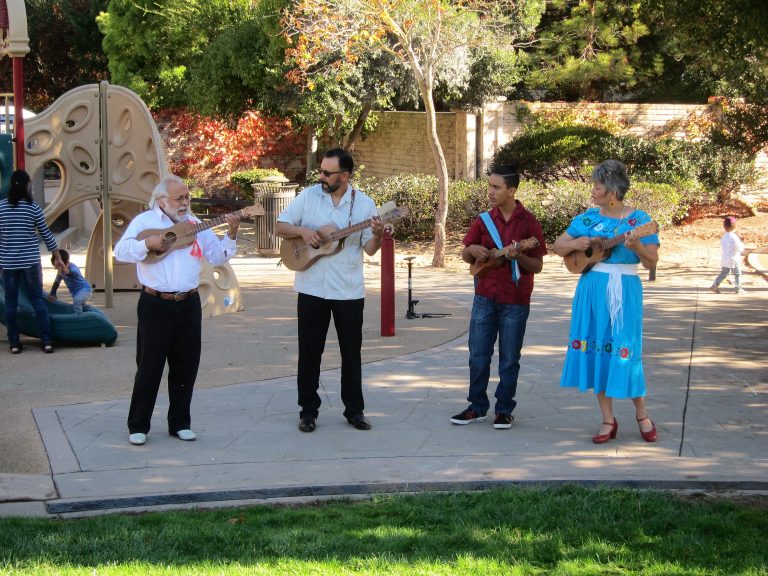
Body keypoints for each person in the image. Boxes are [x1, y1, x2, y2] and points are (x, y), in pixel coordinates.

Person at [114, 175, 240, 446]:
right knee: (149, 366)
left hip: (188, 303)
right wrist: (147, 244)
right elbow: (120, 252)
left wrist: (231, 234)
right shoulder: (144, 222)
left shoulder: (196, 225)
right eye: (179, 198)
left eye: (187, 197)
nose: (184, 203)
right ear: (161, 200)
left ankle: (180, 422)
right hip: (154, 303)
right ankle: (138, 425)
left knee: (186, 365)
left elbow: (217, 256)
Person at [275, 148, 383, 433]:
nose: (321, 177)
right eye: (321, 171)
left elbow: (370, 249)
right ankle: (308, 411)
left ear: (345, 176)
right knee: (309, 352)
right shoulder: (309, 196)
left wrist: (380, 234)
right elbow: (279, 226)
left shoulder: (364, 205)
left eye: (327, 173)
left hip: (348, 290)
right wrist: (302, 232)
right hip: (311, 287)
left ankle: (354, 410)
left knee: (352, 353)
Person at [553, 159, 660, 444]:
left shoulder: (639, 220)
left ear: (612, 192)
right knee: (598, 349)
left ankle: (641, 413)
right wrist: (577, 244)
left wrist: (636, 245)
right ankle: (607, 419)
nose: (593, 191)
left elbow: (652, 262)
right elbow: (558, 245)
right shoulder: (588, 219)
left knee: (626, 350)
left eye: (597, 187)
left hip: (625, 289)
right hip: (591, 288)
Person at [450, 163, 546, 430]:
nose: (490, 192)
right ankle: (476, 406)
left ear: (511, 190)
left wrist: (520, 255)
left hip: (515, 298)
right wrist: (476, 249)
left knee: (509, 358)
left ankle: (504, 409)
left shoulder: (529, 223)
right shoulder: (483, 220)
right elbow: (466, 255)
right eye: (489, 186)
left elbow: (537, 266)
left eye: (496, 187)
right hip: (484, 295)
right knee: (477, 355)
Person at [0, 169, 64, 354]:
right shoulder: (33, 207)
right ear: (28, 185)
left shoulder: (2, 207)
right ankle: (47, 341)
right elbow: (46, 234)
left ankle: (14, 343)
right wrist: (58, 257)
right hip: (30, 262)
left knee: (11, 304)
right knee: (37, 300)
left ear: (11, 186)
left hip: (9, 263)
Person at [47, 249, 92, 315]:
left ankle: (79, 317)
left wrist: (67, 272)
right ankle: (87, 311)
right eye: (56, 267)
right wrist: (53, 293)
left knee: (77, 300)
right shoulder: (61, 272)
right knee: (80, 304)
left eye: (58, 266)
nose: (57, 269)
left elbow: (75, 274)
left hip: (85, 290)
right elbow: (56, 282)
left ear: (66, 262)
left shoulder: (73, 267)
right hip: (76, 293)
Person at [710, 216, 745, 295]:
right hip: (734, 258)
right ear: (734, 225)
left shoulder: (724, 236)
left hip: (725, 258)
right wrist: (742, 243)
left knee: (724, 273)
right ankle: (738, 289)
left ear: (724, 226)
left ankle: (715, 285)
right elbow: (739, 248)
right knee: (737, 274)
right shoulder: (734, 237)